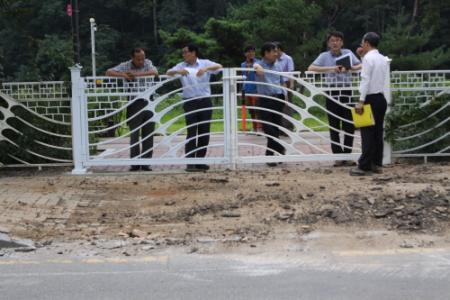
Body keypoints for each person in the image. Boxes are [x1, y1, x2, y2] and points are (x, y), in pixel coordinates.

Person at [308, 31, 362, 166]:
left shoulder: (348, 53)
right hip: (331, 91)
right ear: (328, 43)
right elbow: (311, 68)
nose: (335, 43)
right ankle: (338, 156)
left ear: (342, 42)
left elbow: (361, 65)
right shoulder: (324, 56)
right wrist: (331, 68)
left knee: (349, 124)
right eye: (332, 40)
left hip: (346, 91)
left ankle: (347, 155)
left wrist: (350, 68)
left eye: (338, 40)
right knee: (334, 124)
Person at [166, 44, 222, 172]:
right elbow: (168, 73)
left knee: (204, 132)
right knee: (191, 132)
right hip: (190, 102)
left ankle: (200, 161)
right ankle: (190, 162)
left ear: (194, 53)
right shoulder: (181, 65)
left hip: (205, 101)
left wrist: (206, 69)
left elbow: (219, 67)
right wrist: (178, 71)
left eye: (186, 52)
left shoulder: (204, 63)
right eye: (183, 53)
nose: (184, 55)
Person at [106, 47, 159, 171]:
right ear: (132, 58)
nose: (141, 61)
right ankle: (135, 163)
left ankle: (146, 163)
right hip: (133, 102)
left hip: (149, 101)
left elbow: (155, 72)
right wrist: (123, 74)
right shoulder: (125, 65)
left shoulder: (148, 63)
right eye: (139, 59)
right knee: (134, 134)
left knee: (148, 133)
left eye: (142, 58)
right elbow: (108, 72)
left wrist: (136, 74)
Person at [350, 32, 388, 176]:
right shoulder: (382, 58)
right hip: (380, 98)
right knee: (378, 133)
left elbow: (365, 80)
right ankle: (376, 164)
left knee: (367, 134)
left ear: (366, 43)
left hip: (369, 99)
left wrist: (360, 101)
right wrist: (361, 56)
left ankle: (364, 165)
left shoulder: (367, 59)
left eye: (362, 43)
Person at [254, 42, 288, 167]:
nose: (276, 53)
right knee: (267, 127)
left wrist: (285, 95)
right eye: (273, 51)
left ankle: (270, 155)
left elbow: (282, 81)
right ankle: (279, 147)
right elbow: (258, 70)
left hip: (278, 98)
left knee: (276, 127)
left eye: (277, 51)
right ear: (266, 53)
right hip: (265, 99)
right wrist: (258, 67)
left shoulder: (278, 65)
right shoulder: (258, 64)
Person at [273, 42, 295, 133]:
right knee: (278, 106)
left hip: (287, 83)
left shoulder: (288, 58)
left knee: (287, 106)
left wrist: (292, 85)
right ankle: (280, 128)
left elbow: (291, 72)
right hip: (276, 84)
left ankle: (288, 128)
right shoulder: (274, 59)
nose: (274, 52)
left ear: (280, 49)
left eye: (275, 50)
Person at [240, 45, 261, 132]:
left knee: (257, 109)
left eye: (252, 51)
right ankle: (254, 128)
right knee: (251, 110)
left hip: (256, 89)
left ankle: (260, 128)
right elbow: (242, 78)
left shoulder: (258, 63)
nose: (251, 53)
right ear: (245, 54)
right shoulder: (243, 64)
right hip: (247, 89)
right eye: (249, 51)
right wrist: (241, 91)